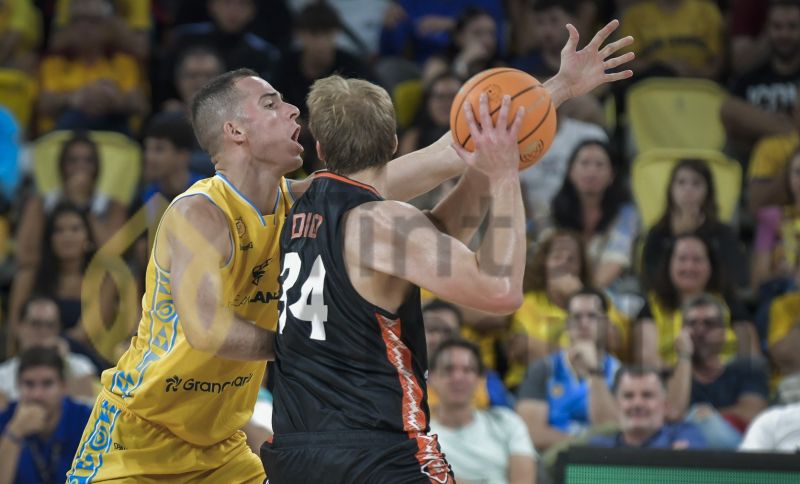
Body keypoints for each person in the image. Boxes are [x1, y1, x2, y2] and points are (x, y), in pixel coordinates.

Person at [68, 17, 634, 480]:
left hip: (220, 447)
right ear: (235, 132)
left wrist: (557, 89)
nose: (292, 110)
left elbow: (448, 153)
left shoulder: (311, 201)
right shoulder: (198, 214)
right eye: (271, 104)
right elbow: (208, 331)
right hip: (139, 438)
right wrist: (312, 346)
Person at [265, 18, 635, 480]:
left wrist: (556, 89)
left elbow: (436, 228)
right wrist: (503, 175)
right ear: (394, 143)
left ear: (320, 146)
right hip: (374, 451)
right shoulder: (383, 223)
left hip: (296, 453)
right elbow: (501, 291)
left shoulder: (296, 204)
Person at [516, 288, 621, 452]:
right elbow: (532, 433)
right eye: (576, 317)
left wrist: (595, 372)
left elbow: (611, 431)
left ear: (606, 324)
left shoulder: (619, 373)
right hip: (553, 462)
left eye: (592, 316)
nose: (583, 323)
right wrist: (585, 445)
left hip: (603, 465)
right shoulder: (543, 369)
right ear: (567, 324)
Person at [666, 294, 769, 448]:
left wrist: (710, 416)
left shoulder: (747, 370)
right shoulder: (672, 375)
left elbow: (754, 414)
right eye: (692, 324)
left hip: (737, 455)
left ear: (723, 332)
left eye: (709, 324)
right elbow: (673, 414)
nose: (700, 330)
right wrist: (684, 356)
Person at [428, 339, 536, 484]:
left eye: (468, 370)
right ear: (432, 378)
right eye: (449, 370)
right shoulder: (420, 439)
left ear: (480, 379)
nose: (458, 378)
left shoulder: (507, 422)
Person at [545, 140, 638, 291]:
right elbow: (548, 258)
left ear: (612, 175)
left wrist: (585, 296)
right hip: (557, 290)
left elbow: (617, 258)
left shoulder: (627, 214)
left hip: (607, 293)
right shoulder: (550, 211)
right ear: (570, 171)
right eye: (584, 163)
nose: (591, 172)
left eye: (599, 165)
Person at [643, 159, 748, 290]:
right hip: (667, 303)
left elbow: (739, 278)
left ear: (708, 191)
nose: (688, 190)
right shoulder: (658, 232)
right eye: (681, 183)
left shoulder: (722, 233)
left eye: (696, 183)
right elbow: (648, 280)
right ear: (671, 190)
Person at [0, 347, 93, 484]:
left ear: (64, 387)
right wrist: (14, 432)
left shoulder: (86, 419)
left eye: (47, 384)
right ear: (18, 387)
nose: (37, 395)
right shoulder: (6, 419)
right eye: (29, 384)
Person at [0, 297, 97, 408]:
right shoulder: (2, 375)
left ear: (58, 330)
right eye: (36, 324)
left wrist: (64, 363)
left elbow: (86, 411)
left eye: (50, 325)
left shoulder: (80, 365)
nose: (43, 332)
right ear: (20, 328)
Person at [588, 366, 706, 449]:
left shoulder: (688, 436)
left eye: (647, 395)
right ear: (617, 405)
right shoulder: (598, 446)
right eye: (628, 396)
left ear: (665, 405)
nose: (637, 404)